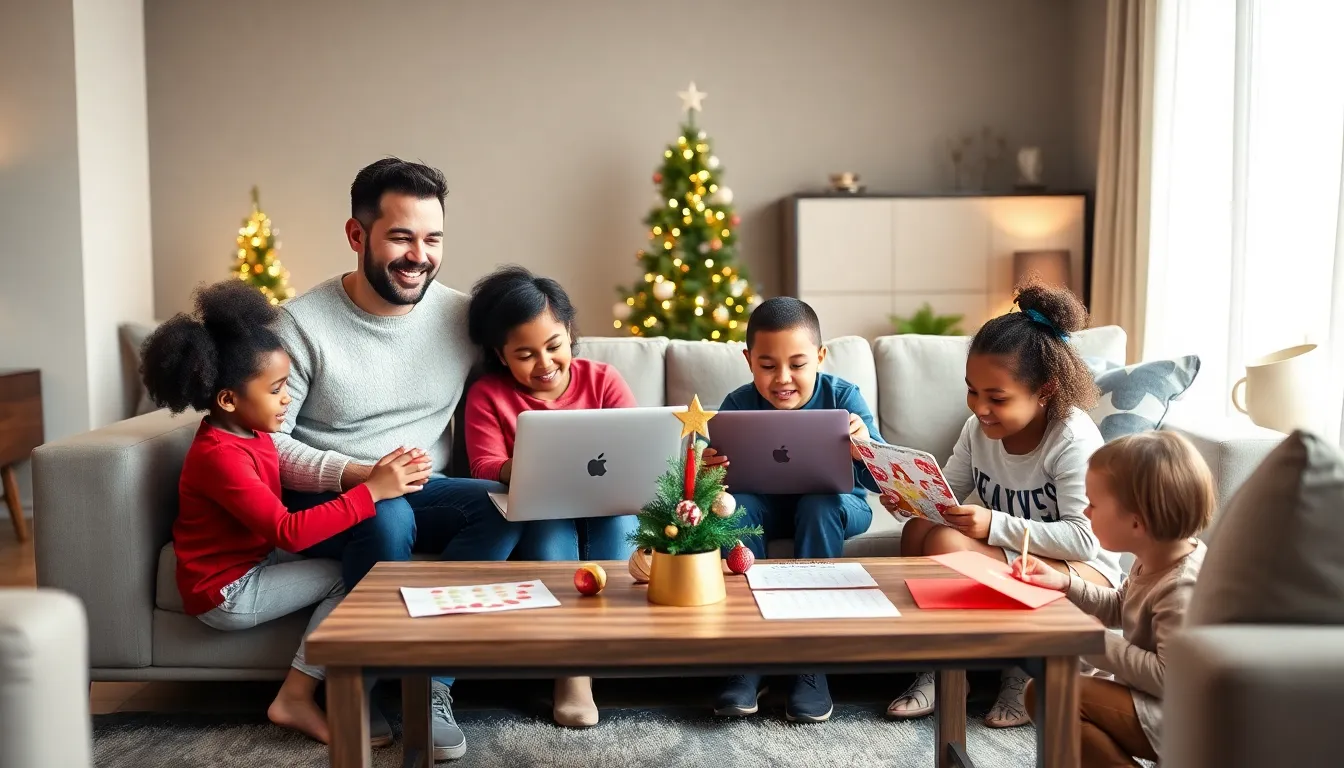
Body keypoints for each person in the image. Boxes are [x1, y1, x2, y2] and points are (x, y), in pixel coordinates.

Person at [273, 158, 523, 761]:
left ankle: (434, 685)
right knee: (385, 517)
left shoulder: (462, 318)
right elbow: (270, 447)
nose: (420, 256)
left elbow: (531, 374)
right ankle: (362, 684)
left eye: (433, 239)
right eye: (401, 237)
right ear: (357, 236)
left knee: (504, 508)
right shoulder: (299, 326)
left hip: (423, 486)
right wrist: (363, 475)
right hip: (330, 494)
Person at [139, 280, 427, 745]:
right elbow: (287, 532)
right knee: (347, 577)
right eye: (276, 390)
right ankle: (295, 696)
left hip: (253, 561)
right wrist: (371, 490)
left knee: (358, 559)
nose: (287, 399)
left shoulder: (250, 434)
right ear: (229, 399)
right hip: (226, 590)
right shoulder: (220, 456)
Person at [883, 278, 1124, 727]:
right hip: (1020, 559)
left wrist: (992, 524)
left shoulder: (1070, 439)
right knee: (919, 530)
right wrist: (909, 494)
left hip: (1079, 571)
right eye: (972, 390)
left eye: (997, 397)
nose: (980, 407)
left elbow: (1085, 539)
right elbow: (946, 496)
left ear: (1046, 390)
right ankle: (940, 668)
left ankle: (1021, 674)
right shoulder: (978, 430)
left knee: (947, 546)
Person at [463, 265, 639, 728]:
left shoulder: (603, 379)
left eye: (554, 346)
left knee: (617, 526)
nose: (544, 364)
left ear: (570, 334)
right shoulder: (488, 394)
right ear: (501, 355)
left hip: (609, 504)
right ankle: (572, 673)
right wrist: (528, 465)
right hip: (543, 506)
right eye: (525, 354)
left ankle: (587, 662)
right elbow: (483, 466)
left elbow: (641, 447)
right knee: (545, 530)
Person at [701, 296, 881, 724]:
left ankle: (811, 660)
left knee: (818, 504)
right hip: (765, 507)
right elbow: (716, 491)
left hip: (838, 505)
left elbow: (879, 484)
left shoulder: (844, 397)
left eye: (798, 364)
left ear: (820, 356)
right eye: (767, 366)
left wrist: (865, 450)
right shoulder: (739, 403)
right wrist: (711, 472)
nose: (783, 378)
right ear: (748, 361)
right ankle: (748, 653)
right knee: (738, 507)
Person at [1013, 430, 1213, 767]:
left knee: (1052, 695)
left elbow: (1170, 678)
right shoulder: (1155, 554)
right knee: (1045, 692)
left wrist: (1100, 643)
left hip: (1184, 719)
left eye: (1093, 503)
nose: (1086, 513)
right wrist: (1064, 583)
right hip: (1157, 703)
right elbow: (1122, 606)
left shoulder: (1181, 588)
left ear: (1136, 522)